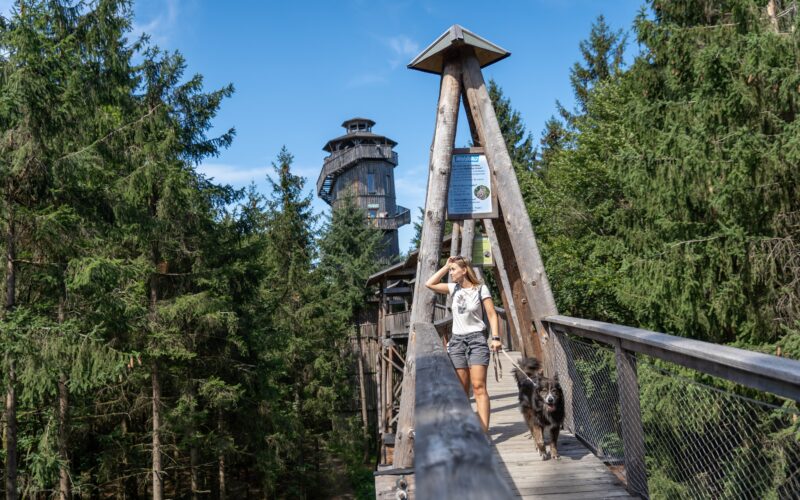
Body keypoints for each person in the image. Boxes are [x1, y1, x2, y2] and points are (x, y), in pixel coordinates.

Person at [425, 255, 502, 432]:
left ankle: (483, 432)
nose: (451, 273)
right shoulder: (453, 288)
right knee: (461, 390)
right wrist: (446, 266)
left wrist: (496, 338)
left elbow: (492, 314)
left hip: (477, 340)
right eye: (450, 271)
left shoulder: (480, 289)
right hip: (457, 342)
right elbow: (429, 283)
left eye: (453, 270)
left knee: (479, 387)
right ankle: (465, 429)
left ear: (464, 270)